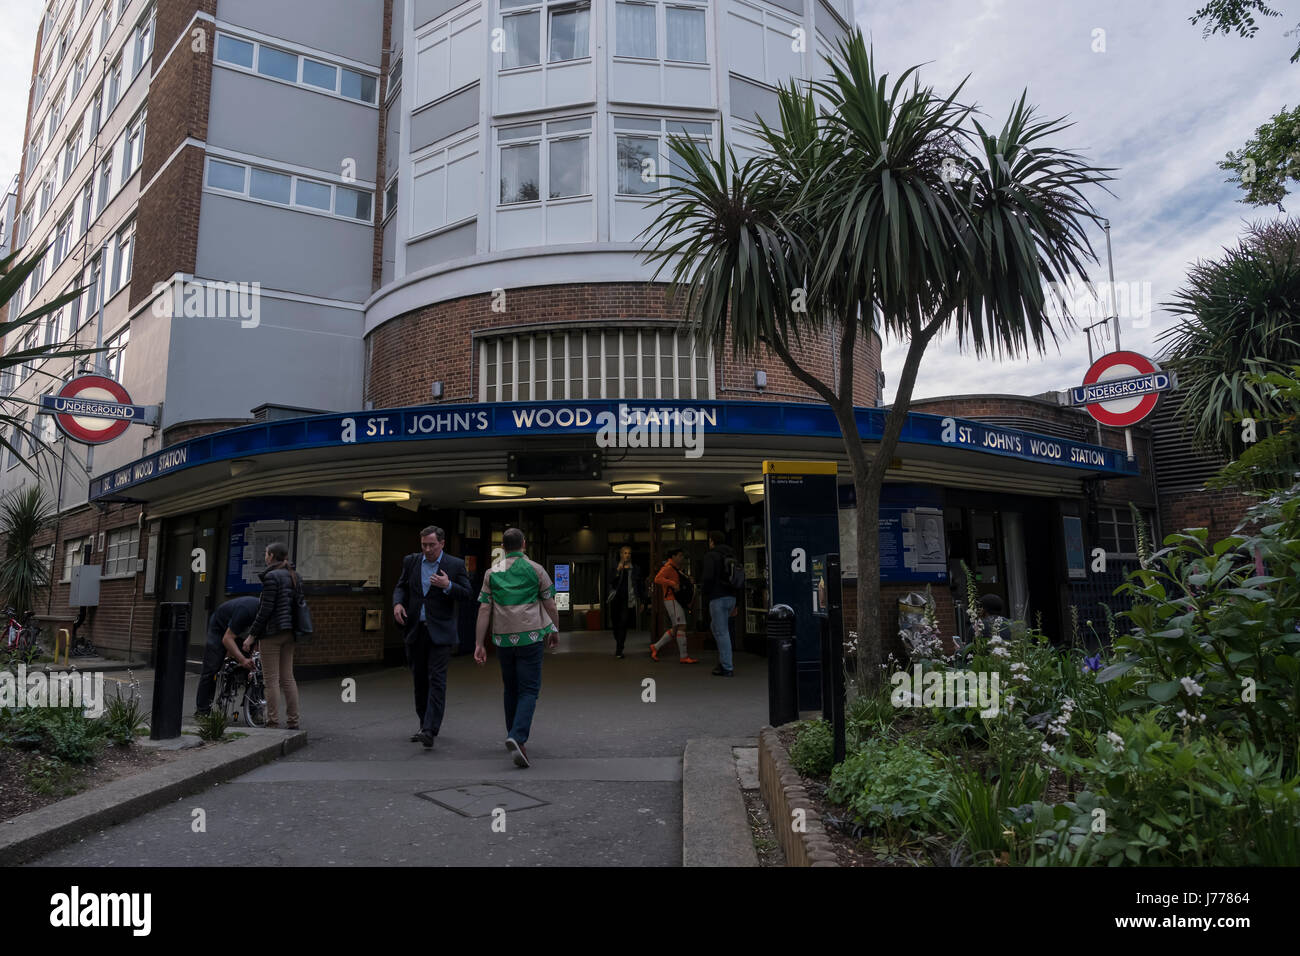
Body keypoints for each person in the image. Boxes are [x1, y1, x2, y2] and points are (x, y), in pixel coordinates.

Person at [473, 528, 560, 768]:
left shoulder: (492, 572)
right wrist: (554, 629)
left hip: (502, 640)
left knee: (510, 688)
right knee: (529, 689)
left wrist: (479, 643)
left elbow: (483, 609)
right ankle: (517, 736)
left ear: (503, 546)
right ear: (523, 544)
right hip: (530, 638)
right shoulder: (536, 569)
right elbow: (550, 604)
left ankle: (514, 735)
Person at [393, 525, 472, 748]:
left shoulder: (454, 565)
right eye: (424, 545)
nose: (427, 549)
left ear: (442, 543)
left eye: (432, 545)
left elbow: (467, 594)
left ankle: (430, 728)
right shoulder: (412, 561)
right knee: (419, 680)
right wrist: (398, 603)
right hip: (416, 629)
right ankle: (423, 724)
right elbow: (401, 587)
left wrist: (448, 585)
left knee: (436, 680)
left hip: (441, 632)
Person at [242, 543, 301, 730]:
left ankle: (273, 721)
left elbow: (265, 610)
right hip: (290, 632)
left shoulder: (271, 577)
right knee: (288, 678)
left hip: (272, 633)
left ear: (272, 555)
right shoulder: (295, 576)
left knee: (271, 680)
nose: (265, 557)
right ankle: (293, 720)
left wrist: (252, 636)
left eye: (266, 553)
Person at [194, 596, 261, 716]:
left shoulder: (268, 617)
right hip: (220, 629)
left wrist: (251, 659)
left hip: (242, 633)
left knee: (255, 669)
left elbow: (259, 642)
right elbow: (227, 639)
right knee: (211, 669)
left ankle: (254, 710)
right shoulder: (245, 611)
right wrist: (242, 659)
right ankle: (202, 710)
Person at [700, 531, 740, 677]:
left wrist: (705, 593)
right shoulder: (732, 555)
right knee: (717, 628)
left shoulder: (711, 556)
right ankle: (724, 660)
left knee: (722, 632)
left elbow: (708, 577)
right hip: (731, 597)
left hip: (717, 597)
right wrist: (737, 603)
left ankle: (727, 667)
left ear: (712, 541)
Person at [651, 549, 697, 663]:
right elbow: (657, 579)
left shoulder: (674, 568)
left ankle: (656, 647)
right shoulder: (668, 568)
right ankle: (684, 656)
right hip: (671, 599)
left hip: (673, 600)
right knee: (682, 626)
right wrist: (673, 584)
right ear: (673, 556)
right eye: (680, 555)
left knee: (676, 628)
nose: (682, 558)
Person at [606, 546, 644, 659]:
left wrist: (642, 601)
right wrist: (618, 570)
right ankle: (619, 641)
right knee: (615, 623)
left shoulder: (635, 569)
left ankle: (619, 648)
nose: (627, 555)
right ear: (621, 555)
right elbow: (609, 581)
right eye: (625, 553)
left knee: (623, 623)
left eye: (629, 553)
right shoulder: (615, 567)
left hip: (628, 599)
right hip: (615, 598)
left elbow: (640, 585)